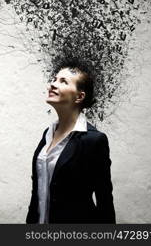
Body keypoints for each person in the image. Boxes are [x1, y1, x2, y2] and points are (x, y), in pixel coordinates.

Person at [26, 60, 115, 223]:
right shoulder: (48, 134)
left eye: (63, 81)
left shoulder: (94, 141)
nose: (53, 84)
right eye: (54, 79)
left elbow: (105, 202)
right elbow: (37, 193)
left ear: (79, 96)